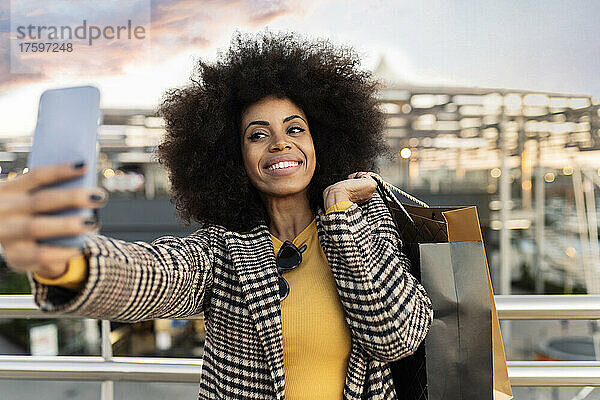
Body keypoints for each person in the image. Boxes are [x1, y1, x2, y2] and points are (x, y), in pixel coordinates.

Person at [0, 30, 433, 399]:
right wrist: (66, 262)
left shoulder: (367, 225)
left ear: (322, 141)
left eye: (295, 128)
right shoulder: (222, 251)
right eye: (257, 135)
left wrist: (339, 216)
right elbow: (155, 273)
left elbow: (396, 337)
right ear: (234, 157)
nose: (279, 144)